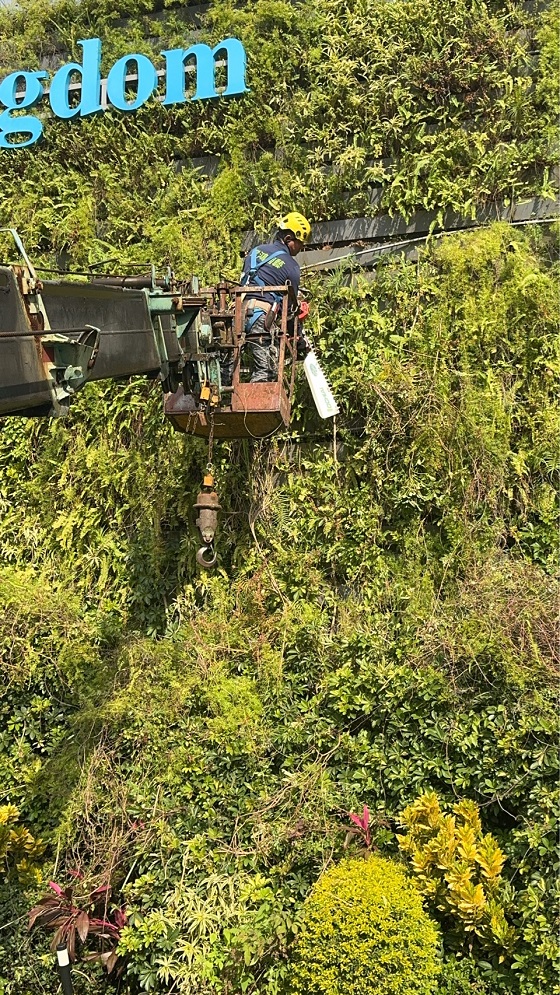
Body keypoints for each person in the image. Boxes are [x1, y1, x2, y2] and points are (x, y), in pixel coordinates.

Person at [234, 211, 312, 384]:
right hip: (261, 316)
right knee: (267, 372)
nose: (301, 248)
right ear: (289, 238)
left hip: (237, 313)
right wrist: (298, 336)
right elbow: (290, 311)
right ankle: (255, 409)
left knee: (229, 368)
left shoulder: (255, 252)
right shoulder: (291, 266)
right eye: (300, 243)